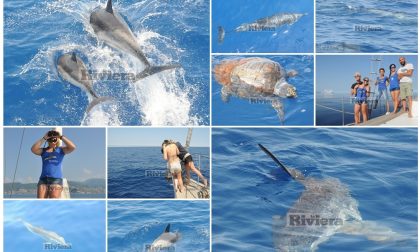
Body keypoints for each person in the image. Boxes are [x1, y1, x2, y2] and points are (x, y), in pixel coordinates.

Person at [31, 130, 76, 198]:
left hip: (56, 179)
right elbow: (33, 149)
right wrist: (44, 138)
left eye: (55, 139)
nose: (53, 141)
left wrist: (61, 136)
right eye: (50, 139)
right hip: (43, 180)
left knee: (54, 200)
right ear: (48, 140)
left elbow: (73, 147)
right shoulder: (43, 151)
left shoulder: (61, 150)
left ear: (57, 140)